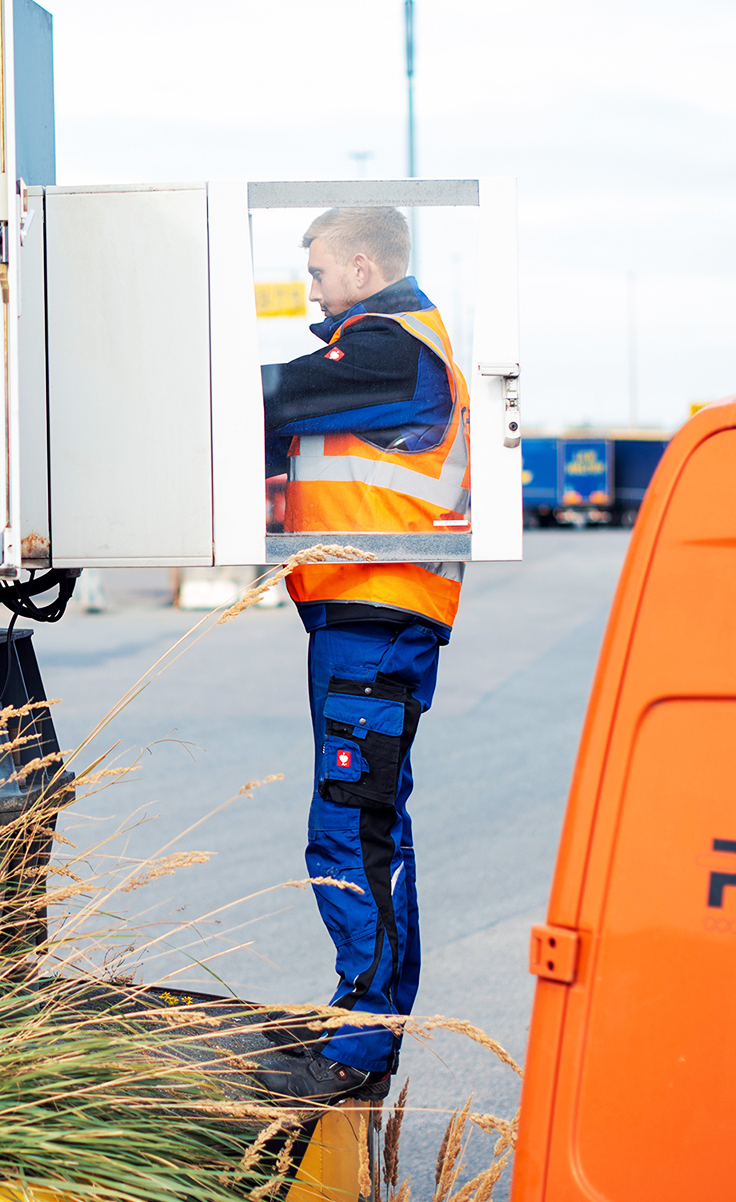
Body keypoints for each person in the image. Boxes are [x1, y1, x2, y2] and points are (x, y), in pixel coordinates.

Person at [253, 206, 467, 1102]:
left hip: (378, 619)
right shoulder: (380, 349)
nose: (309, 287)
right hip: (363, 618)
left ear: (361, 261)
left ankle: (358, 1045)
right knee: (372, 824)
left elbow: (269, 396)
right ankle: (365, 1024)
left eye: (316, 271)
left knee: (349, 828)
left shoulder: (389, 347)